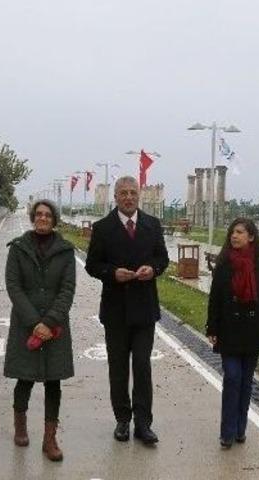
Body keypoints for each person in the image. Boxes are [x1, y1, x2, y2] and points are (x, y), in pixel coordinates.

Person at [85, 176, 169, 445]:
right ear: (116, 197)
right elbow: (92, 264)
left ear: (139, 196)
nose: (129, 197)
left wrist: (152, 270)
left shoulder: (152, 225)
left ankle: (144, 424)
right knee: (118, 368)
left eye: (133, 192)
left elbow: (163, 258)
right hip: (115, 310)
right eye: (123, 193)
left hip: (145, 310)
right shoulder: (103, 228)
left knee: (142, 366)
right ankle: (122, 419)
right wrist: (112, 273)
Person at [4, 199, 76, 462]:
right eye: (39, 214)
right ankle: (20, 426)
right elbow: (14, 286)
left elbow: (67, 290)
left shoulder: (66, 252)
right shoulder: (18, 248)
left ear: (54, 220)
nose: (42, 218)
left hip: (55, 326)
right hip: (26, 324)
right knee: (24, 377)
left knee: (53, 381)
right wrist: (35, 322)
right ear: (33, 217)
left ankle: (49, 439)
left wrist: (50, 321)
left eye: (47, 215)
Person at [206, 218, 259, 448]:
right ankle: (227, 433)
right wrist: (212, 327)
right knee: (232, 377)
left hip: (254, 328)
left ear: (251, 236)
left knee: (246, 381)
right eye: (232, 232)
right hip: (229, 329)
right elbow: (215, 296)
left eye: (239, 232)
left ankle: (240, 429)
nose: (234, 236)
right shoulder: (224, 262)